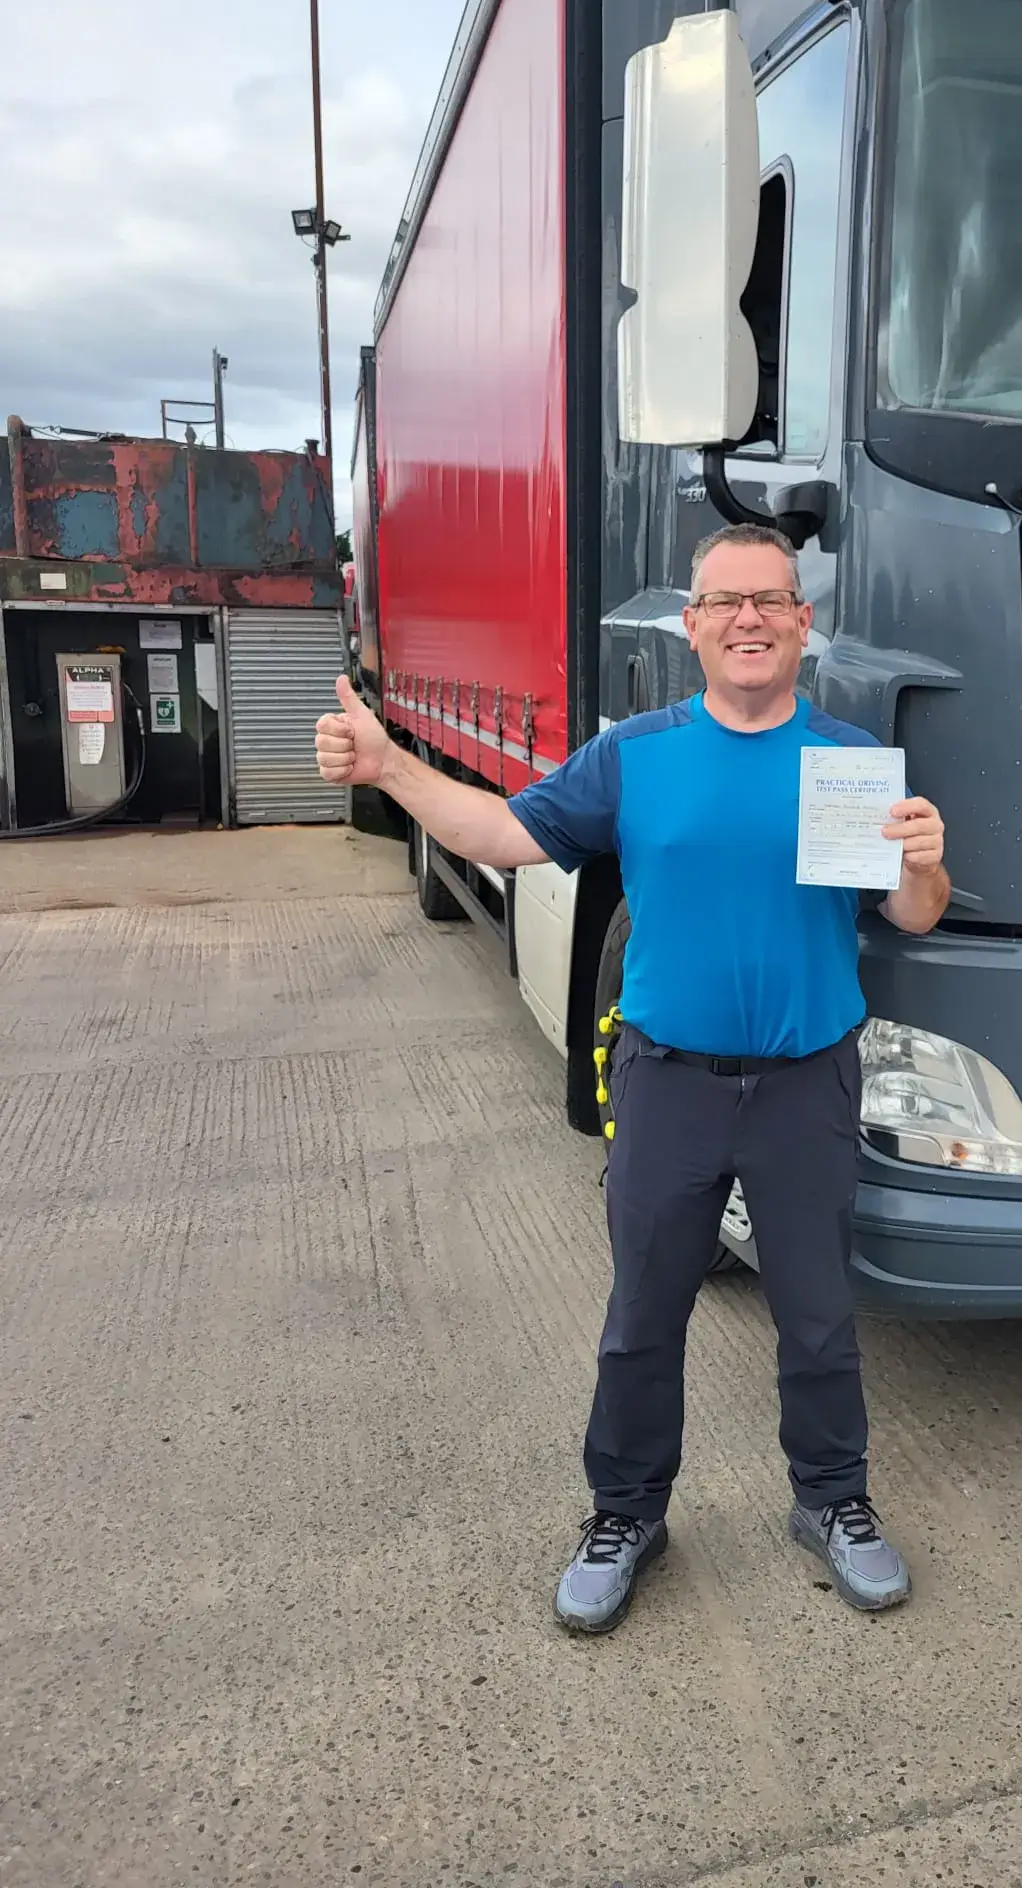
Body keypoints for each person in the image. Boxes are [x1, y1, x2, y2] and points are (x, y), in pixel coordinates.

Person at [314, 523, 949, 1632]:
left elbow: (910, 913)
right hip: (667, 1081)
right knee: (644, 1312)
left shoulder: (850, 765)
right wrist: (388, 768)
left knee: (817, 1314)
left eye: (772, 599)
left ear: (805, 622)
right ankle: (626, 1512)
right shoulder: (636, 755)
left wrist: (924, 862)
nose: (748, 618)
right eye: (724, 601)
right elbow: (505, 832)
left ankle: (833, 1501)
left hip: (808, 1080)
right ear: (690, 625)